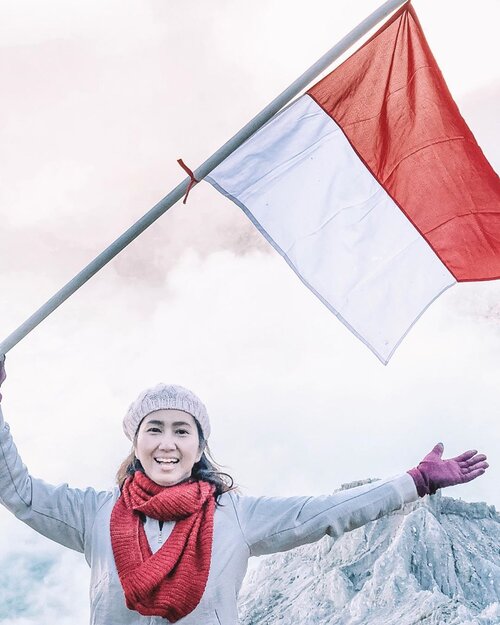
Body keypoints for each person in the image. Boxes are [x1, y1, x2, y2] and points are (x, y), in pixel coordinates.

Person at [0, 356, 489, 625]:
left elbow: (327, 512)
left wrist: (415, 482)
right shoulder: (94, 513)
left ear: (199, 446)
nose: (167, 443)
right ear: (135, 441)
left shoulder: (235, 514)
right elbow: (17, 491)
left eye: (181, 430)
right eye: (154, 429)